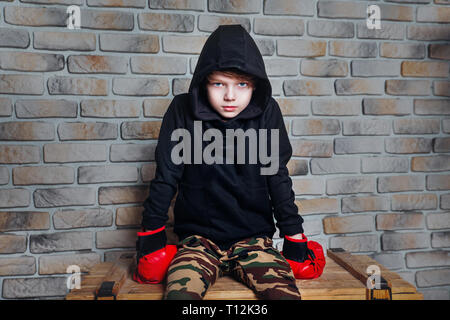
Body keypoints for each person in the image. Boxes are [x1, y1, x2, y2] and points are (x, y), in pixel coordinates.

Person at [134, 25, 325, 300]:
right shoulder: (182, 111)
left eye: (242, 84)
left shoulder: (267, 113)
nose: (230, 96)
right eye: (219, 83)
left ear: (255, 84)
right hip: (197, 243)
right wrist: (151, 237)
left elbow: (278, 178)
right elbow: (166, 175)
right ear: (204, 82)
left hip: (254, 242)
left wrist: (294, 237)